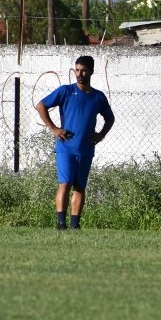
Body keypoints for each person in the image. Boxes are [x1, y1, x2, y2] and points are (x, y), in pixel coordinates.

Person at [35, 55, 115, 230]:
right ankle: (60, 223)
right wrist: (54, 129)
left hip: (86, 149)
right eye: (77, 70)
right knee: (65, 184)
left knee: (79, 187)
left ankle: (74, 225)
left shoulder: (98, 97)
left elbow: (110, 118)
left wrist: (101, 135)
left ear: (91, 72)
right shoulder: (65, 91)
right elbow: (40, 105)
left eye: (84, 70)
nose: (79, 74)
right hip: (66, 148)